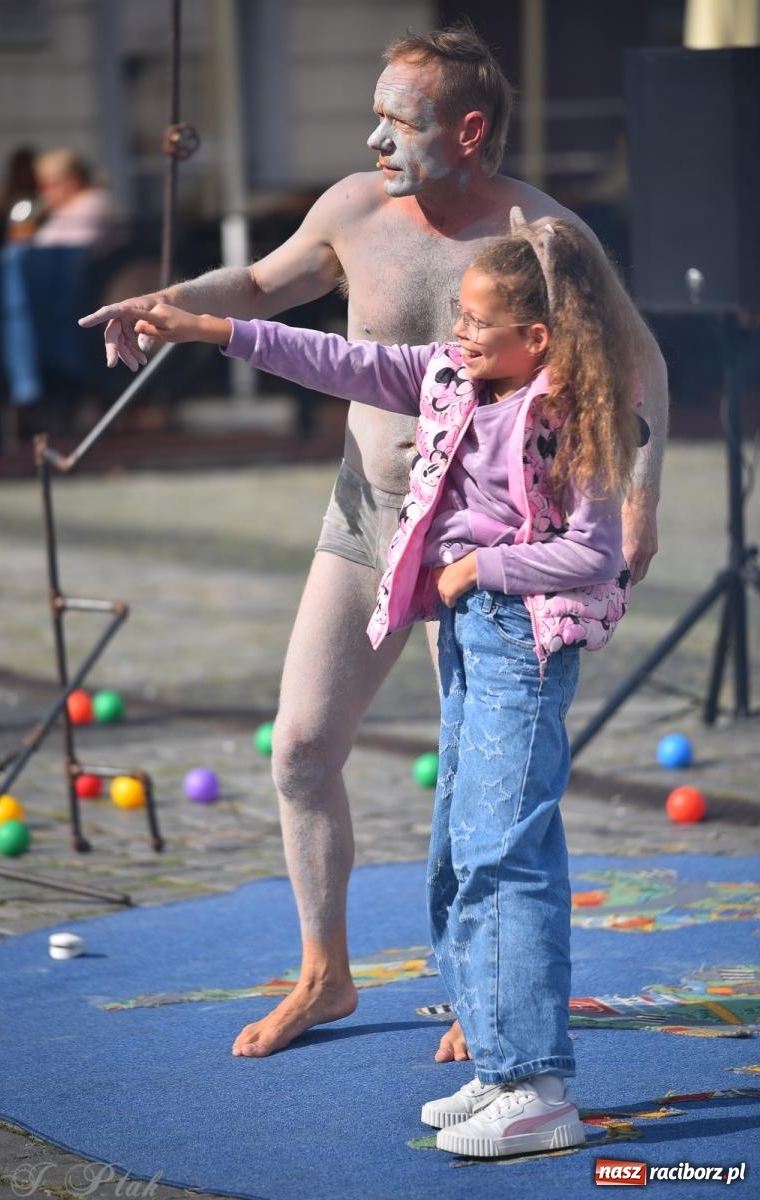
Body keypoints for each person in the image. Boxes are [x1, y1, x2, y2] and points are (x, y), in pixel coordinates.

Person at [78, 24, 667, 1062]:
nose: (376, 137)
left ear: (469, 129)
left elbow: (639, 359)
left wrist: (640, 499)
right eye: (378, 115)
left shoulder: (541, 234)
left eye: (400, 119)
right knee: (302, 745)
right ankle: (325, 975)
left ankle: (478, 988)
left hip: (488, 544)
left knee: (483, 781)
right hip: (367, 518)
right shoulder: (354, 207)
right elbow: (261, 292)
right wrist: (170, 307)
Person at [114, 210, 648, 1157]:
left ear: (535, 340)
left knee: (505, 856)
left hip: (522, 641)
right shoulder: (451, 379)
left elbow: (592, 552)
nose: (458, 333)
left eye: (478, 322)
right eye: (458, 317)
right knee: (461, 850)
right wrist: (210, 329)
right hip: (472, 637)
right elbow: (334, 360)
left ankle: (537, 1085)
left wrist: (482, 571)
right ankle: (498, 1065)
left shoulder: (569, 414)